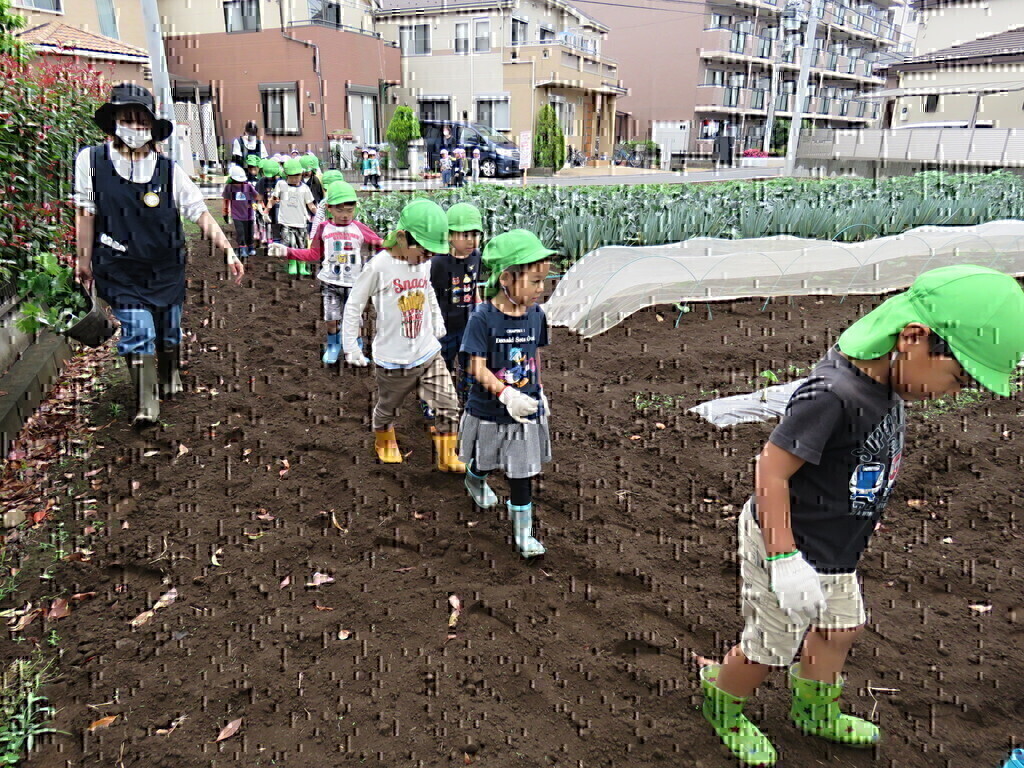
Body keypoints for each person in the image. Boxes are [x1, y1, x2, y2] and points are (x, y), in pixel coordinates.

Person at [699, 265, 1024, 766]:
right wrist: (784, 558)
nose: (954, 392)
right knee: (768, 647)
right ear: (914, 338)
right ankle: (723, 704)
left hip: (835, 547)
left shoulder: (887, 379)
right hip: (787, 541)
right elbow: (771, 470)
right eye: (958, 376)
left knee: (840, 629)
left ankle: (813, 710)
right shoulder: (833, 394)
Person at [74, 83, 244, 428]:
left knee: (169, 331)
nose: (135, 129)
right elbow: (85, 212)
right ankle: (146, 403)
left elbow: (199, 210)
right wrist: (83, 260)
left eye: (142, 122)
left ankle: (169, 374)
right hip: (119, 267)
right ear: (114, 122)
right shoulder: (91, 162)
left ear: (152, 128)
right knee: (138, 330)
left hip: (165, 267)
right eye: (128, 120)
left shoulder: (167, 170)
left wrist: (226, 249)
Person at [341, 199, 464, 473]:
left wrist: (436, 319)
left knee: (448, 403)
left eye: (432, 253)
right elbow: (355, 304)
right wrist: (351, 345)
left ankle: (447, 454)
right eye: (423, 251)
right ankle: (384, 441)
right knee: (389, 407)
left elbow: (428, 290)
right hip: (392, 358)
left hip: (428, 351)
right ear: (400, 237)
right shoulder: (378, 267)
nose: (427, 258)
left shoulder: (423, 262)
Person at [458, 229, 555, 559]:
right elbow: (476, 366)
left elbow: (533, 355)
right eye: (535, 281)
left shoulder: (536, 316)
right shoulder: (483, 318)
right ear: (506, 279)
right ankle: (475, 478)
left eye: (544, 281)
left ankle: (523, 535)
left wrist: (537, 392)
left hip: (525, 408)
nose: (541, 289)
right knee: (486, 460)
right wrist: (504, 395)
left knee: (521, 473)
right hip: (490, 408)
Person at [268, 181, 382, 364]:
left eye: (349, 210)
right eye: (339, 210)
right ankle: (333, 345)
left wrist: (401, 244)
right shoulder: (323, 229)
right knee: (331, 318)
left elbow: (380, 243)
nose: (345, 215)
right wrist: (286, 251)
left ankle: (356, 347)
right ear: (329, 208)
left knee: (355, 320)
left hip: (355, 285)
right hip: (330, 283)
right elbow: (313, 254)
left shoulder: (359, 228)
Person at [423, 202, 484, 420]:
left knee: (469, 365)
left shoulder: (476, 256)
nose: (471, 240)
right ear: (449, 235)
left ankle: (467, 399)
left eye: (475, 234)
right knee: (440, 366)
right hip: (443, 328)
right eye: (465, 234)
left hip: (467, 326)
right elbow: (427, 296)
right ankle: (432, 402)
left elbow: (474, 286)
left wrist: (480, 310)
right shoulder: (437, 262)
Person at [269, 157, 316, 276]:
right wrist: (266, 210)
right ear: (286, 175)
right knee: (289, 245)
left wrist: (317, 214)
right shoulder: (281, 185)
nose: (295, 178)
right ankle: (292, 265)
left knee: (302, 245)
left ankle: (302, 265)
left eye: (298, 175)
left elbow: (310, 204)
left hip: (301, 222)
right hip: (286, 222)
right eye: (292, 176)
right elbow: (274, 198)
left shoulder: (305, 188)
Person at [220, 165, 263, 260]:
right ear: (232, 179)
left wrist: (261, 205)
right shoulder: (229, 188)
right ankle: (243, 249)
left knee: (249, 233)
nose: (240, 183)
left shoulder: (248, 186)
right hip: (237, 216)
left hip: (249, 215)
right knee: (241, 233)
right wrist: (225, 213)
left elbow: (257, 196)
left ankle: (251, 247)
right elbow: (226, 200)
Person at [256, 158, 281, 247]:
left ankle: (278, 241)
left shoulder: (281, 181)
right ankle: (269, 241)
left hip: (280, 207)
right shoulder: (262, 181)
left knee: (278, 223)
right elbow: (260, 196)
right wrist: (260, 206)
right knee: (268, 224)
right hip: (267, 207)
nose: (270, 177)